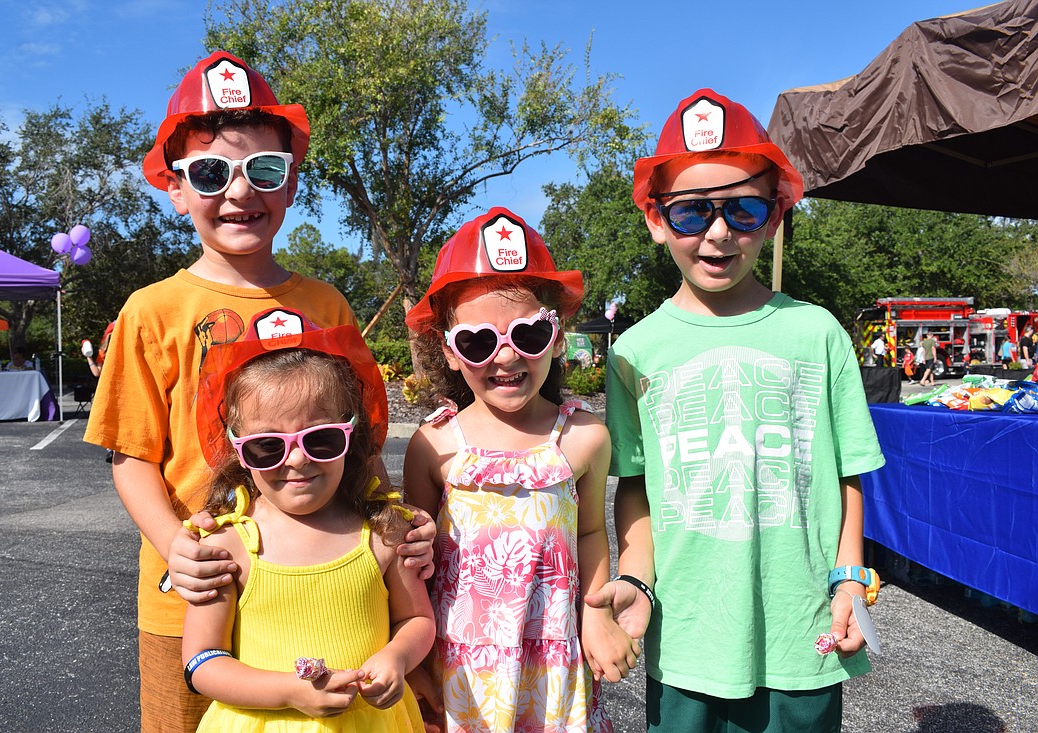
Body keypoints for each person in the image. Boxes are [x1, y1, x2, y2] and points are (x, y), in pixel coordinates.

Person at [83, 51, 434, 733]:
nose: (240, 193)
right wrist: (176, 545)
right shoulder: (152, 310)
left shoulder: (326, 304)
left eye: (264, 171)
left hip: (328, 588)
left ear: (291, 183)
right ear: (176, 188)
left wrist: (394, 517)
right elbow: (130, 456)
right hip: (195, 592)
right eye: (211, 173)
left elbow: (357, 441)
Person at [585, 89, 886, 732]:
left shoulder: (819, 333)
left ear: (773, 217)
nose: (718, 233)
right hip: (688, 634)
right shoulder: (635, 352)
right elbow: (634, 484)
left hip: (801, 628)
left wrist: (849, 580)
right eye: (692, 213)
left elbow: (847, 473)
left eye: (743, 209)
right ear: (656, 218)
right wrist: (637, 582)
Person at [403, 207, 635, 732]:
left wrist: (596, 613)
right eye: (480, 342)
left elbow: (592, 532)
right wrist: (412, 658)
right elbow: (411, 568)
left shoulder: (583, 438)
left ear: (556, 336)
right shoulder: (433, 445)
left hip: (554, 665)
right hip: (458, 670)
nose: (505, 358)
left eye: (527, 335)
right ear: (450, 349)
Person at [181, 307, 434, 731]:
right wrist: (287, 691)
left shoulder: (385, 533)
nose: (297, 460)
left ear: (351, 437)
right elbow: (202, 660)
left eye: (321, 440)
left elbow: (416, 619)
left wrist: (398, 656)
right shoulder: (227, 545)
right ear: (239, 452)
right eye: (267, 447)